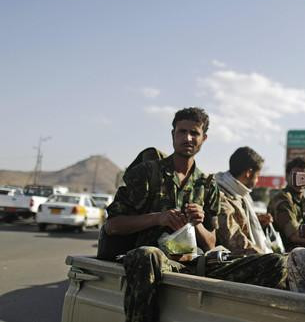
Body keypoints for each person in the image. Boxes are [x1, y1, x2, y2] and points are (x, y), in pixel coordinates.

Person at [103, 107, 288, 322]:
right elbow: (113, 225)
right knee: (146, 255)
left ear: (204, 138)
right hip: (156, 262)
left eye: (194, 133)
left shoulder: (208, 185)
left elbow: (211, 243)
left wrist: (198, 223)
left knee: (277, 263)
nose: (187, 138)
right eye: (182, 132)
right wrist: (158, 218)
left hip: (196, 265)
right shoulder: (146, 173)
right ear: (173, 135)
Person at [215, 146, 275, 254]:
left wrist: (258, 220)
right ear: (249, 173)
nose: (257, 180)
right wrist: (265, 257)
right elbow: (234, 240)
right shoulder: (221, 195)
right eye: (257, 176)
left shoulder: (241, 194)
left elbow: (240, 220)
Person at [268, 157, 305, 250]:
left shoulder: (301, 200)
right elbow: (294, 235)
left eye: (304, 177)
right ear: (287, 176)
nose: (300, 181)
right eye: (296, 176)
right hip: (285, 254)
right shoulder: (283, 199)